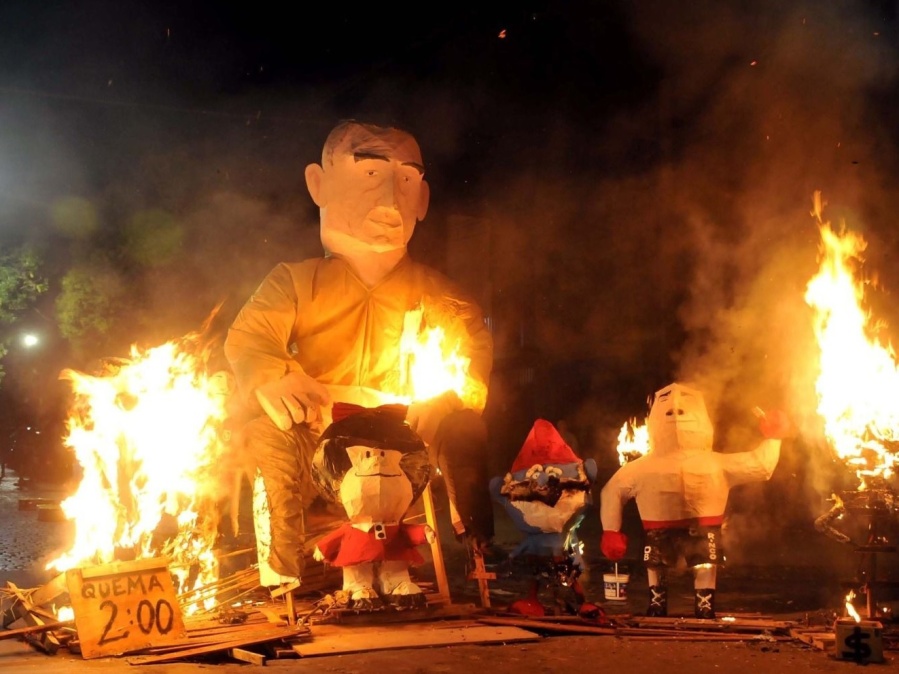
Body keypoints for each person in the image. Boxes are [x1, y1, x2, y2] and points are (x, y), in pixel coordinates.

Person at [224, 119, 494, 587]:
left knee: (464, 428)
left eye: (405, 180)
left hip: (406, 435)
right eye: (370, 173)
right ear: (318, 184)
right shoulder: (295, 281)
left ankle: (478, 554)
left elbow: (471, 361)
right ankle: (284, 571)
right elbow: (251, 338)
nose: (389, 198)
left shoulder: (441, 296)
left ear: (422, 199)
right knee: (266, 436)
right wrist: (272, 375)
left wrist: (449, 402)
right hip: (318, 429)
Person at [599, 382, 790, 619]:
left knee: (701, 563)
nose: (676, 409)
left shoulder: (710, 463)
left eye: (684, 404)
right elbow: (612, 492)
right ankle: (661, 603)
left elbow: (761, 466)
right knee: (658, 562)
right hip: (663, 527)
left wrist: (774, 437)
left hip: (698, 526)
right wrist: (610, 530)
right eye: (667, 404)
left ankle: (701, 605)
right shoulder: (648, 467)